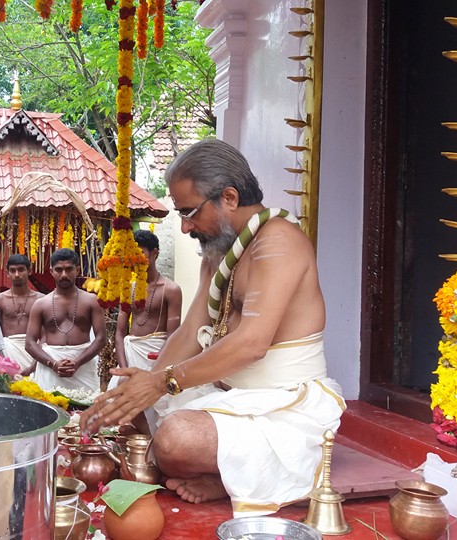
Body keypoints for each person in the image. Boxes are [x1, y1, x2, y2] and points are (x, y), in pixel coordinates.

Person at [80, 139, 345, 517]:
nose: (186, 228)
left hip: (285, 405)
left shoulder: (279, 242)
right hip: (229, 396)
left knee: (176, 439)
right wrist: (141, 390)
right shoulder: (219, 254)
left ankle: (220, 476)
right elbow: (189, 334)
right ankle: (207, 467)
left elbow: (251, 344)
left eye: (190, 212)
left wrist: (159, 384)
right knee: (124, 390)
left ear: (230, 198)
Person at [107, 229, 183, 434]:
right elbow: (120, 333)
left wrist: (155, 373)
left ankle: (152, 441)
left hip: (156, 360)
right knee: (120, 412)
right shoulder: (128, 289)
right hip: (130, 358)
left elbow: (173, 336)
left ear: (155, 254)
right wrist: (125, 369)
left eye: (140, 254)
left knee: (155, 411)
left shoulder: (171, 289)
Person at [26, 248, 106, 392]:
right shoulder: (41, 304)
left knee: (87, 412)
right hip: (50, 365)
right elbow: (30, 343)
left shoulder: (91, 301)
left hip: (83, 365)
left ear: (78, 270)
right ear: (51, 271)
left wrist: (78, 362)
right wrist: (53, 364)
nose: (64, 274)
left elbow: (101, 338)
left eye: (69, 269)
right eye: (59, 270)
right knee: (50, 411)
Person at [0, 254, 44, 376]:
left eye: (21, 269)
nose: (16, 274)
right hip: (8, 355)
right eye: (13, 270)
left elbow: (46, 335)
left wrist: (35, 364)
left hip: (35, 353)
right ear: (7, 273)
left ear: (29, 271)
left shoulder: (41, 299)